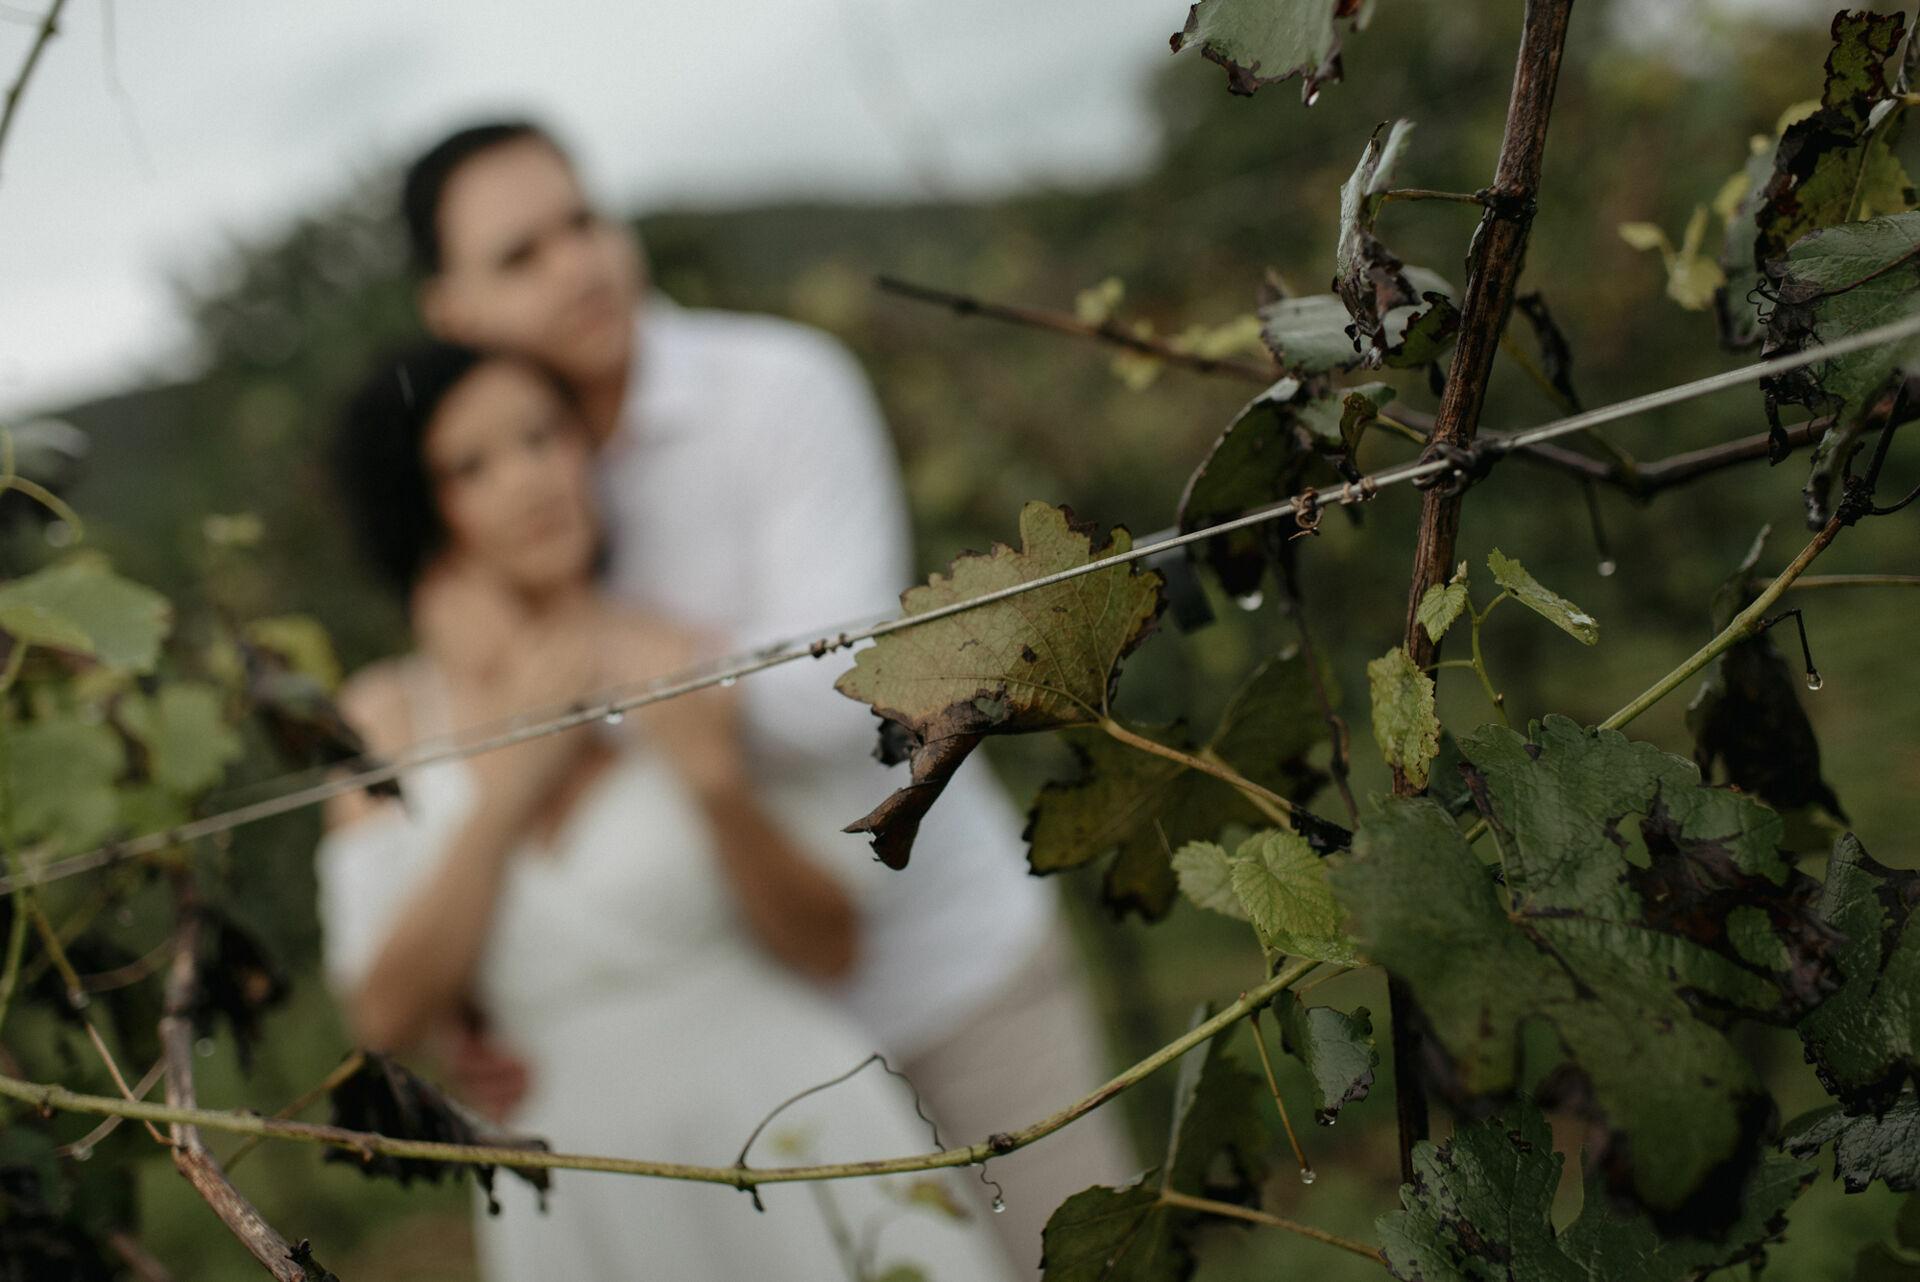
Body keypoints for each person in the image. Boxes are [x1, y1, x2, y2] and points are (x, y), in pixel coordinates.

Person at [401, 121, 1135, 1276]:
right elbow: (494, 788)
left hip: (948, 976)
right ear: (451, 311)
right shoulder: (479, 516)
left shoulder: (781, 388)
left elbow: (842, 699)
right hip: (744, 1045)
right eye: (518, 255)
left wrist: (583, 646)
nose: (575, 265)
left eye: (581, 221)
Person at [317, 340, 1018, 1282]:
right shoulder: (385, 717)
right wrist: (512, 789)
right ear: (421, 504)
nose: (529, 480)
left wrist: (716, 788)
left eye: (543, 437)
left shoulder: (684, 655)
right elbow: (382, 1009)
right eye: (472, 465)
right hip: (578, 1184)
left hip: (792, 1121)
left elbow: (834, 948)